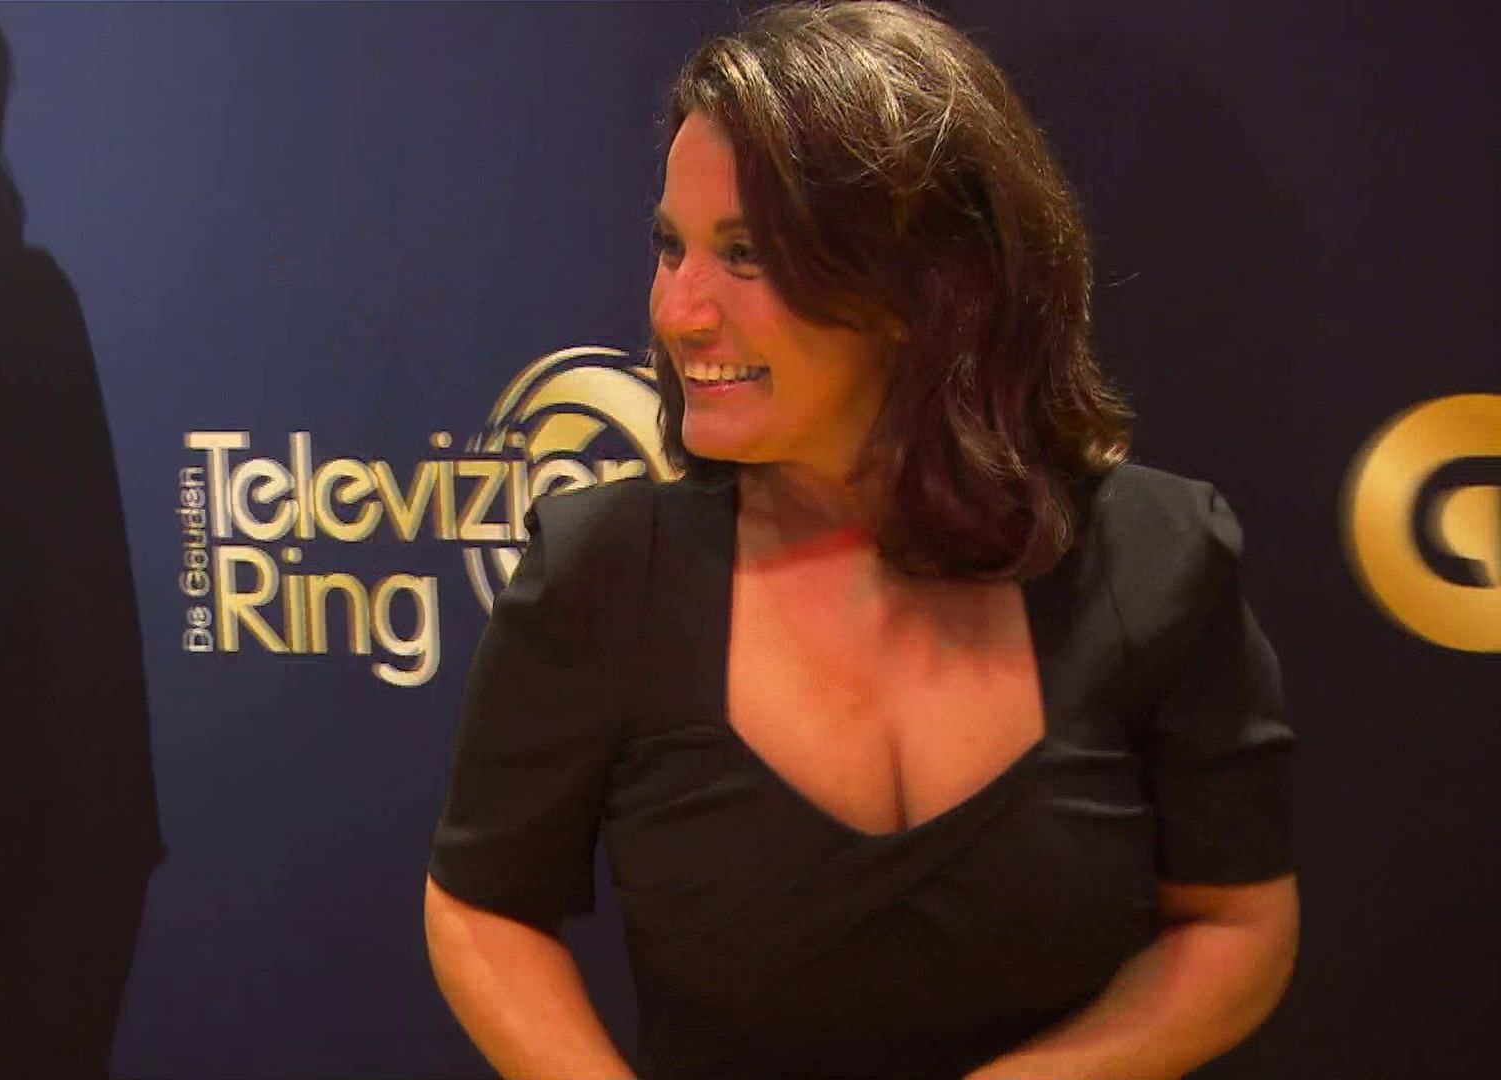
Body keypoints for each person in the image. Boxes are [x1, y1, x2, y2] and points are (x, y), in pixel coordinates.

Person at [425, 4, 1298, 1078]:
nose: (679, 312)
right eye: (671, 248)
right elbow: (482, 910)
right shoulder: (606, 566)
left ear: (923, 284)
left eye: (746, 254)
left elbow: (1237, 923)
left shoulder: (1157, 559)